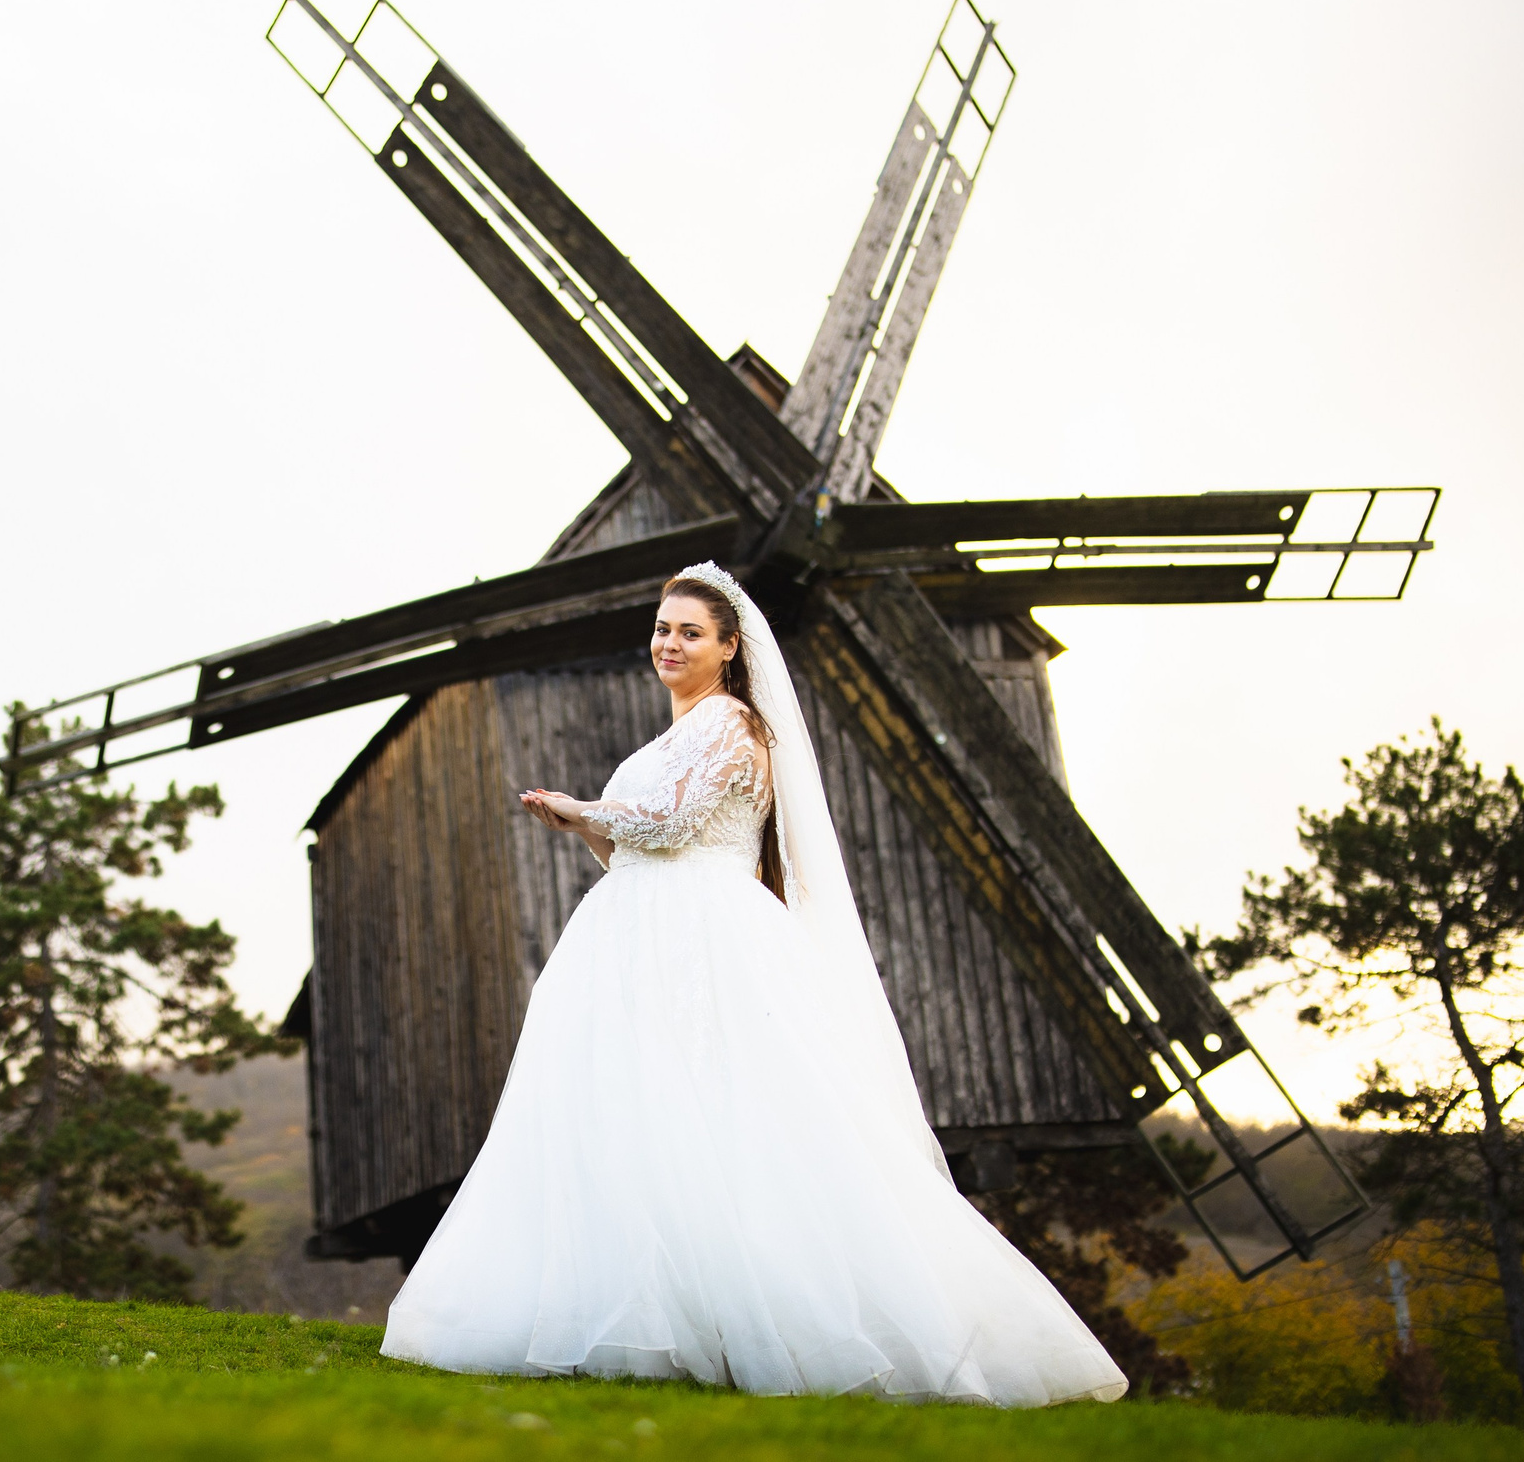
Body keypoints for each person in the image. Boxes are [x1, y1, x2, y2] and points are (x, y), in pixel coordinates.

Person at [378, 562, 1127, 1404]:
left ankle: (800, 1324)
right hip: (633, 934)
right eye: (663, 628)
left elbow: (671, 827)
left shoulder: (735, 726)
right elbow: (633, 851)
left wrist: (583, 806)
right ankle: (645, 1317)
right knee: (637, 1121)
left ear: (730, 648)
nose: (669, 642)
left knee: (734, 1121)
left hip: (707, 937)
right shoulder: (669, 737)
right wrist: (584, 825)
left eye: (689, 631)